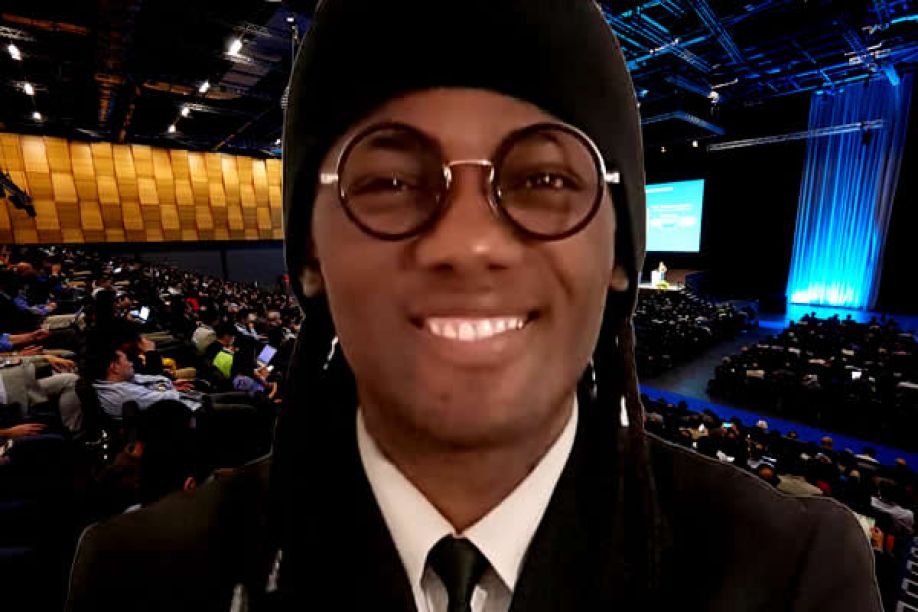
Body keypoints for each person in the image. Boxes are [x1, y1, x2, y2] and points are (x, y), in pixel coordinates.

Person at [68, 2, 881, 611]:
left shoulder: (790, 574)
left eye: (544, 179)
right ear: (309, 255)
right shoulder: (145, 578)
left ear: (620, 258)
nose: (467, 243)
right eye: (390, 181)